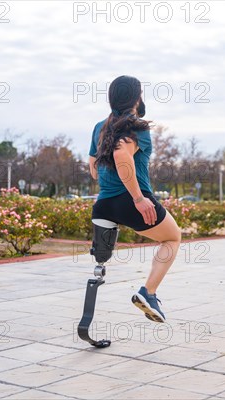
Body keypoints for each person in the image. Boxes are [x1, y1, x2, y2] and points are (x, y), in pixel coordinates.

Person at [88, 75, 181, 323]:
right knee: (172, 238)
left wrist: (111, 187)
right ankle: (148, 293)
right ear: (137, 97)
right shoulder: (138, 127)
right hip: (132, 201)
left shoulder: (99, 127)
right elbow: (121, 155)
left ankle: (88, 319)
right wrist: (138, 198)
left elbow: (93, 166)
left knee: (100, 263)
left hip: (104, 205)